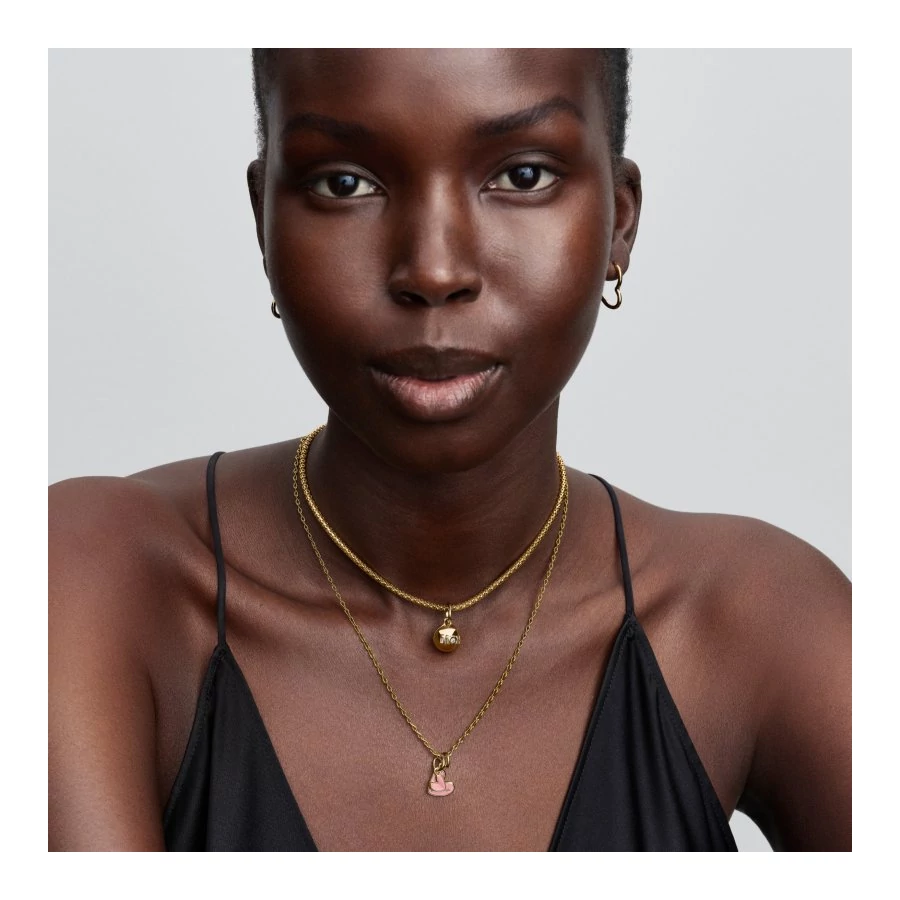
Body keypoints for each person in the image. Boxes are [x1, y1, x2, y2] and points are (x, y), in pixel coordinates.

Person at [48, 49, 851, 852]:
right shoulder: (91, 577)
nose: (433, 271)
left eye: (524, 176)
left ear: (620, 220)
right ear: (264, 220)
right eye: (345, 183)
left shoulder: (755, 618)